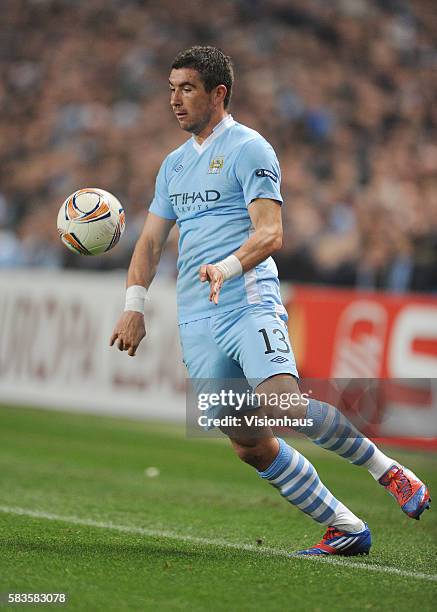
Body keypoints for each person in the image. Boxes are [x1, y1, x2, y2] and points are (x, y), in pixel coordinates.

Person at [110, 46, 430, 556]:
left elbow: (271, 232)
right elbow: (149, 243)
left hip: (247, 300)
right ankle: (345, 527)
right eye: (170, 89)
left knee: (283, 402)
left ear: (219, 93)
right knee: (247, 442)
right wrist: (134, 305)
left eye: (187, 88)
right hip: (196, 316)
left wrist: (227, 266)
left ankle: (389, 472)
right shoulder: (172, 167)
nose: (174, 100)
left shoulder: (250, 148)